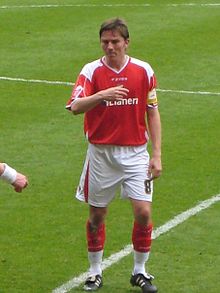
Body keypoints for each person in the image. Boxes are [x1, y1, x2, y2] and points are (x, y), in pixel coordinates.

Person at [66, 18, 162, 293]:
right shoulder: (91, 71)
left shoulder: (143, 71)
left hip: (135, 154)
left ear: (126, 42)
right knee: (97, 217)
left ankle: (140, 271)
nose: (110, 47)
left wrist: (156, 154)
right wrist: (103, 94)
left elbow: (152, 111)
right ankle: (95, 272)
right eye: (105, 42)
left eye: (115, 42)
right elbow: (74, 106)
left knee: (143, 212)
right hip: (102, 155)